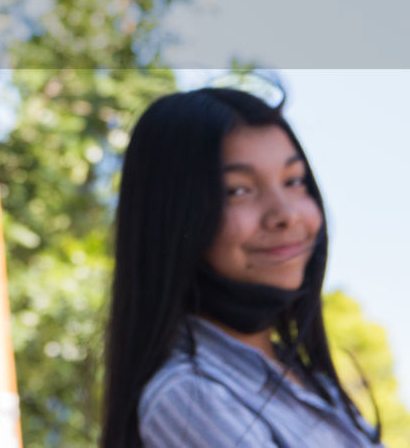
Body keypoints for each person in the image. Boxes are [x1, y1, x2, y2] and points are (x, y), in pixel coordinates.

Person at [100, 87, 382, 448]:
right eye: (238, 190)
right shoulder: (190, 400)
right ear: (172, 218)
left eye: (294, 181)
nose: (285, 214)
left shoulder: (305, 380)